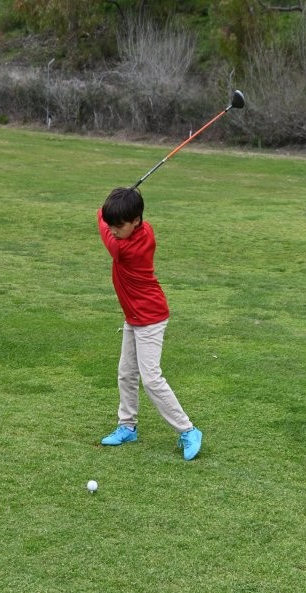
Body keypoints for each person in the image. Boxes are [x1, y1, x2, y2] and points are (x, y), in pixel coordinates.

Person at [97, 186, 202, 461]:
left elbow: (100, 220)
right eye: (112, 224)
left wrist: (105, 207)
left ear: (135, 220)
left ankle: (188, 430)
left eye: (119, 225)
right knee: (126, 373)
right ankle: (127, 426)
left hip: (150, 318)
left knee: (152, 379)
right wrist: (119, 205)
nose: (113, 230)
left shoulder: (122, 247)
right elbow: (111, 220)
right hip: (134, 316)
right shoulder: (146, 229)